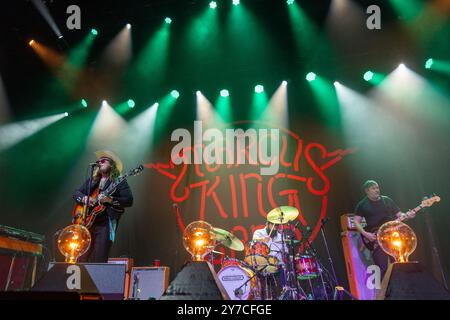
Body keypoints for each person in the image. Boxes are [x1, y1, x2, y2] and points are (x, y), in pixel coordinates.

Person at [73, 150, 133, 262]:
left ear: (111, 165)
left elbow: (129, 200)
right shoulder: (92, 181)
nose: (100, 162)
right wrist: (85, 199)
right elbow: (76, 193)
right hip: (87, 222)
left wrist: (110, 200)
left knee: (99, 258)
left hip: (105, 223)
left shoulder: (119, 181)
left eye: (104, 161)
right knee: (81, 257)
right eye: (99, 161)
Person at [354, 180, 415, 277]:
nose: (377, 190)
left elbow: (400, 215)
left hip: (393, 237)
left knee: (399, 264)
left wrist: (408, 215)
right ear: (367, 191)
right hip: (376, 239)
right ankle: (386, 291)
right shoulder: (362, 205)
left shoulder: (387, 200)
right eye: (373, 188)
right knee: (382, 269)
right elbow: (356, 221)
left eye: (377, 187)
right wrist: (366, 234)